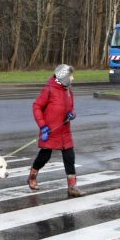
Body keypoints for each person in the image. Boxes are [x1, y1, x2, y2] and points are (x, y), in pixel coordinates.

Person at [28, 64, 83, 197]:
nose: (72, 78)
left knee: (69, 156)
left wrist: (72, 113)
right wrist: (43, 126)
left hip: (65, 130)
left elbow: (72, 107)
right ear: (63, 77)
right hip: (50, 130)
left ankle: (72, 186)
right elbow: (36, 107)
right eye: (70, 76)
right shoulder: (49, 90)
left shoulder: (69, 90)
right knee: (44, 156)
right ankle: (32, 176)